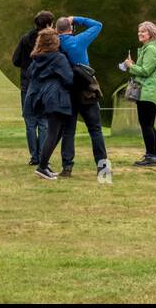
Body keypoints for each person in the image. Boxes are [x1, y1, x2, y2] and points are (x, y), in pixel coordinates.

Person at [56, 15, 111, 182]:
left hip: (66, 92)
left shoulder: (54, 44)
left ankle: (67, 167)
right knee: (95, 130)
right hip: (86, 90)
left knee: (68, 131)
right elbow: (97, 24)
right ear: (70, 29)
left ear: (57, 30)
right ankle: (103, 170)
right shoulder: (78, 41)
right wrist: (76, 18)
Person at [24, 27, 75, 181]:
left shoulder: (37, 58)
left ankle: (44, 165)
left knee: (57, 132)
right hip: (56, 97)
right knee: (54, 132)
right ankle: (42, 166)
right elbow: (69, 79)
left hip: (43, 97)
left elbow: (30, 74)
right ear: (54, 42)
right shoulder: (58, 58)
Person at [12, 10, 55, 164]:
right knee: (43, 122)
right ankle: (43, 156)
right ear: (49, 24)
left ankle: (34, 156)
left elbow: (16, 60)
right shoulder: (51, 41)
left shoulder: (25, 39)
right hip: (44, 84)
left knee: (30, 122)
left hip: (27, 84)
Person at [123, 21, 156, 166]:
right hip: (149, 90)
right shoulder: (147, 48)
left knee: (146, 124)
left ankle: (150, 157)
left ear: (151, 34)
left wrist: (131, 66)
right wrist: (134, 65)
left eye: (144, 31)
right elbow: (145, 68)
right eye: (139, 31)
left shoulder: (151, 49)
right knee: (150, 125)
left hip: (148, 91)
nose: (140, 33)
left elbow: (146, 71)